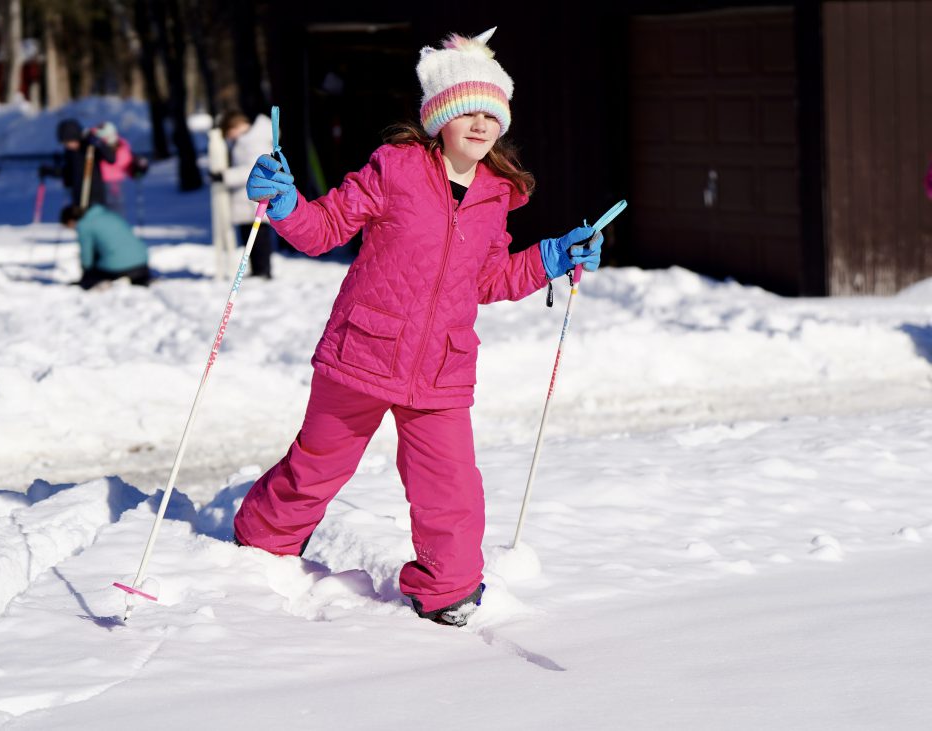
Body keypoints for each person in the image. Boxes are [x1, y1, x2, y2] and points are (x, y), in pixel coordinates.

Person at [232, 27, 603, 627]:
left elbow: (487, 280)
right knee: (316, 467)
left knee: (452, 489)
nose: (480, 125)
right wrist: (284, 204)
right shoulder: (395, 169)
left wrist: (552, 258)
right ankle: (259, 546)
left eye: (491, 114)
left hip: (441, 367)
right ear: (439, 117)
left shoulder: (497, 195)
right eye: (467, 112)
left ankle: (449, 590)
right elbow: (324, 228)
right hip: (364, 352)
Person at [218, 110, 276, 278]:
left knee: (258, 239)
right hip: (247, 202)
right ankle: (258, 270)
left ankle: (263, 271)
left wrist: (225, 176)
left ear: (235, 126)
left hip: (253, 202)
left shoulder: (253, 141)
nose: (230, 137)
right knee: (250, 238)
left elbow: (253, 170)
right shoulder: (248, 140)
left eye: (229, 133)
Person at [59, 204, 151, 290]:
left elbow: (87, 257)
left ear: (70, 221)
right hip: (142, 263)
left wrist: (86, 274)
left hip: (117, 268)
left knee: (94, 273)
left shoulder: (84, 225)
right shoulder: (109, 214)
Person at [41, 118, 117, 209]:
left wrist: (97, 142)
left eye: (68, 142)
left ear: (74, 137)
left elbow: (111, 159)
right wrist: (49, 171)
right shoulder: (70, 153)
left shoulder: (89, 146)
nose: (67, 146)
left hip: (95, 196)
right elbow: (67, 173)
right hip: (78, 198)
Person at [94, 121, 149, 215]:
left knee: (116, 209)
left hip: (116, 184)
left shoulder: (123, 146)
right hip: (98, 183)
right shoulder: (98, 146)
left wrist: (138, 167)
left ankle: (117, 227)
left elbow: (127, 165)